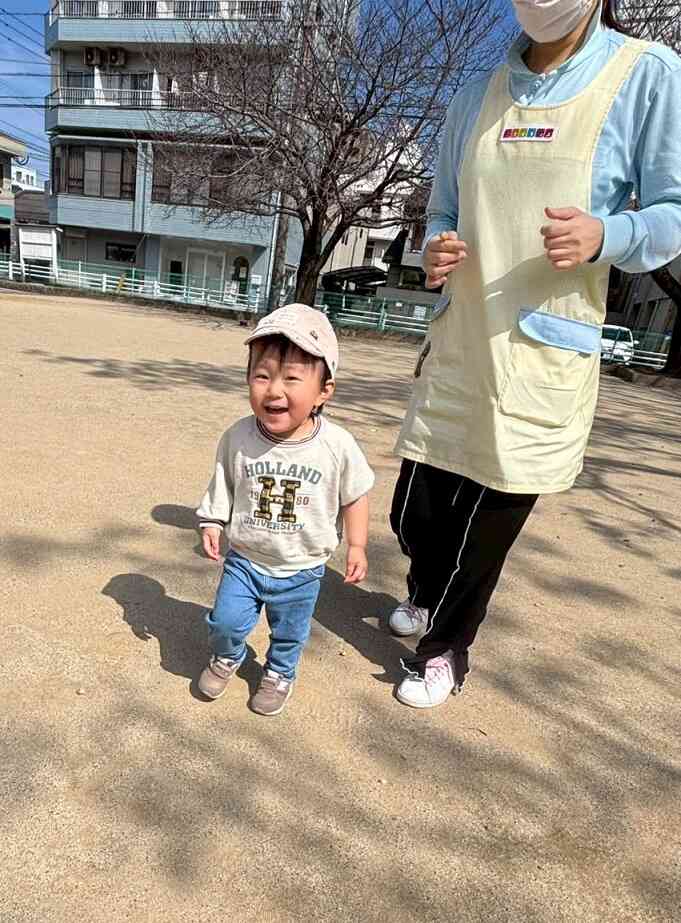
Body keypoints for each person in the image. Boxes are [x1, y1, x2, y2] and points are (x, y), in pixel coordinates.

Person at [389, 0, 681, 708]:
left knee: (490, 511)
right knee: (415, 508)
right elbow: (441, 212)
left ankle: (445, 650)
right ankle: (426, 593)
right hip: (462, 333)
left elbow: (673, 211)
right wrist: (435, 246)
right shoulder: (473, 97)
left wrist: (606, 234)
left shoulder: (646, 75)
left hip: (544, 340)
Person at [197, 304, 374, 716]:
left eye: (292, 378)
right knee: (225, 621)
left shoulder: (337, 446)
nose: (274, 390)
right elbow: (224, 480)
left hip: (302, 568)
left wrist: (358, 546)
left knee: (289, 633)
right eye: (262, 376)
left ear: (324, 390)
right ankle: (227, 655)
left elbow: (355, 495)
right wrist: (212, 519)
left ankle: (279, 673)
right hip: (246, 557)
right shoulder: (238, 436)